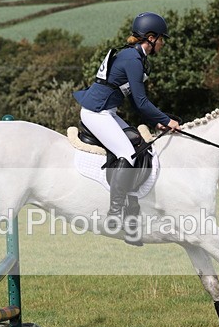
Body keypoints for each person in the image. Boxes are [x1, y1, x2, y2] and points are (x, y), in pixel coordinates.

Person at [74, 12, 180, 225]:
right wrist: (167, 120)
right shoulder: (133, 59)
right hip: (97, 112)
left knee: (137, 143)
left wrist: (156, 121)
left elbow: (133, 99)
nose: (163, 43)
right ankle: (114, 213)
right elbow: (141, 101)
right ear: (151, 38)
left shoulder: (134, 56)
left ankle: (133, 206)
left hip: (106, 112)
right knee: (127, 153)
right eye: (161, 39)